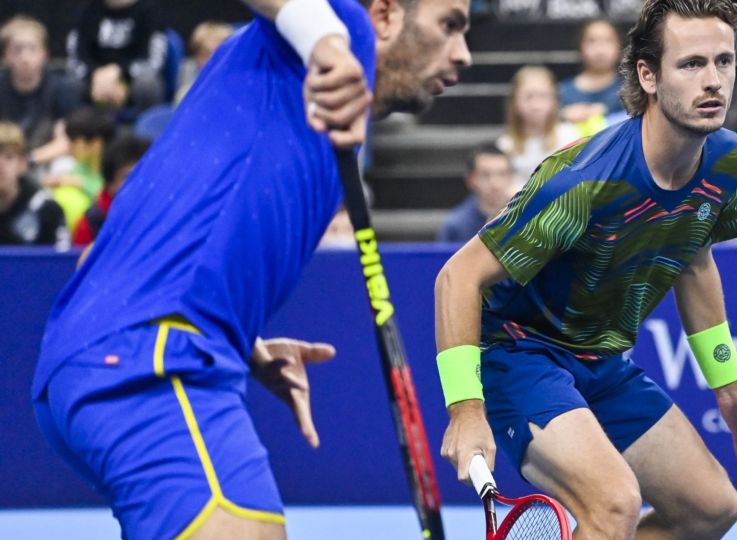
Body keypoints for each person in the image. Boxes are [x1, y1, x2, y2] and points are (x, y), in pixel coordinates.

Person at [32, 1, 471, 539]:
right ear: (383, 15)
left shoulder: (301, 127)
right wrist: (328, 39)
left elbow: (107, 254)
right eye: (450, 25)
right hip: (152, 362)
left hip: (119, 355)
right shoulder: (339, 27)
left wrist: (246, 342)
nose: (464, 54)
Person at [436, 2, 737, 539]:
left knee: (710, 508)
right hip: (518, 355)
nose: (713, 81)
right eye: (691, 64)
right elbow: (458, 277)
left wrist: (731, 389)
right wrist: (466, 409)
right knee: (613, 505)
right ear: (648, 76)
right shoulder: (583, 182)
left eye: (724, 62)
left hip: (600, 360)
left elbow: (694, 262)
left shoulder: (723, 158)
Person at [0, 16, 83, 165]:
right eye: (17, 50)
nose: (25, 58)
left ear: (44, 54)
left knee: (65, 165)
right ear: (6, 56)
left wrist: (28, 160)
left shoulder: (62, 89)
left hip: (43, 161)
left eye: (32, 49)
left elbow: (65, 143)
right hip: (4, 163)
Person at [66, 0, 167, 112]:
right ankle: (73, 127)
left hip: (132, 78)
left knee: (148, 85)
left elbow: (153, 60)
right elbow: (77, 56)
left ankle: (148, 127)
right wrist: (96, 75)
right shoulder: (86, 9)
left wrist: (119, 72)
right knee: (69, 86)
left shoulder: (150, 11)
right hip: (94, 78)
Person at [496, 65, 580, 184]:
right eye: (529, 97)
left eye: (543, 96)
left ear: (554, 100)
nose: (536, 105)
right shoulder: (506, 144)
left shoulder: (570, 136)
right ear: (514, 101)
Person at [72, 133, 151, 246]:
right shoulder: (91, 223)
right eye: (129, 177)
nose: (139, 183)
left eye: (145, 176)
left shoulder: (163, 217)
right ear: (110, 183)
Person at [0, 121, 69, 248]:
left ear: (22, 164)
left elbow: (60, 261)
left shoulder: (46, 209)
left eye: (9, 157)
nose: (1, 166)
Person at [560, 18, 624, 136]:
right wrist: (562, 115)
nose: (600, 49)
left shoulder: (630, 90)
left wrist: (607, 114)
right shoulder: (563, 91)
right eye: (592, 41)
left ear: (619, 46)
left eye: (608, 40)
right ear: (580, 46)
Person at [438, 144, 515, 243]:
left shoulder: (524, 220)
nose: (495, 184)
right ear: (470, 180)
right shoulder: (456, 226)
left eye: (502, 174)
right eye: (485, 175)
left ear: (511, 177)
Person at [175, 22, 237, 103]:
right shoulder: (185, 93)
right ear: (196, 58)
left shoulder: (242, 88)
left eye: (217, 55)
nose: (211, 61)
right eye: (205, 54)